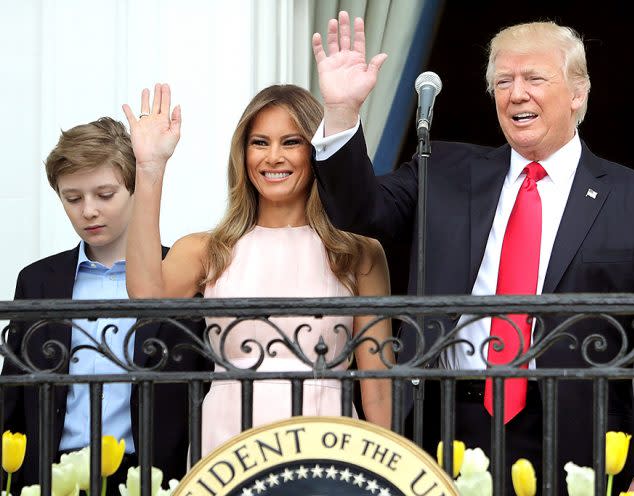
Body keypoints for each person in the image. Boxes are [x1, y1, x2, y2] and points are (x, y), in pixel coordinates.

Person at [310, 13, 634, 495]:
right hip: (446, 424)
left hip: (574, 435)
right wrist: (342, 112)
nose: (516, 93)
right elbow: (360, 212)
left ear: (578, 93)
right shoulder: (444, 168)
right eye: (503, 81)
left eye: (534, 78)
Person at [122, 83, 393, 457]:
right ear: (243, 153)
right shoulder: (206, 249)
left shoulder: (359, 252)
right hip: (227, 441)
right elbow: (146, 295)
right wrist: (149, 169)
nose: (273, 157)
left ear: (314, 151)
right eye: (260, 142)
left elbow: (377, 385)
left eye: (291, 142)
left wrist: (389, 472)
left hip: (327, 443)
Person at [2, 117, 211, 489]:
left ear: (134, 188)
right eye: (73, 198)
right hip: (51, 475)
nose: (89, 211)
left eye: (105, 194)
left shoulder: (179, 275)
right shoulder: (36, 281)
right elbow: (14, 394)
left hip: (151, 475)